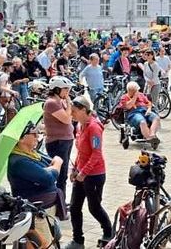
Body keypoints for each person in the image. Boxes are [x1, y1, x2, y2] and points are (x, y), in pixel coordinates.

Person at [68, 96, 113, 249]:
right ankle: (78, 240)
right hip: (81, 173)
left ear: (83, 110)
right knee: (74, 207)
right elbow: (80, 152)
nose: (71, 114)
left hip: (94, 175)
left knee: (94, 207)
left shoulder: (94, 127)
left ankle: (108, 231)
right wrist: (74, 169)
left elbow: (96, 154)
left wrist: (84, 173)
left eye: (74, 111)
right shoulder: (80, 126)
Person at [43, 77, 74, 199]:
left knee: (63, 174)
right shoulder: (51, 103)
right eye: (65, 89)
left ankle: (61, 199)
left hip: (66, 140)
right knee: (60, 175)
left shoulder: (59, 101)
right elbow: (66, 119)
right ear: (57, 89)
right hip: (58, 142)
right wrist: (69, 104)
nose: (68, 92)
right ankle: (59, 201)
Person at [118, 81, 161, 146]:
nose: (137, 92)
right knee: (142, 121)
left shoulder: (141, 95)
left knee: (156, 118)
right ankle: (149, 138)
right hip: (134, 113)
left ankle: (152, 135)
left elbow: (148, 103)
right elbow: (128, 106)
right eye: (135, 91)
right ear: (130, 91)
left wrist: (149, 109)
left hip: (145, 111)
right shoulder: (124, 97)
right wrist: (134, 97)